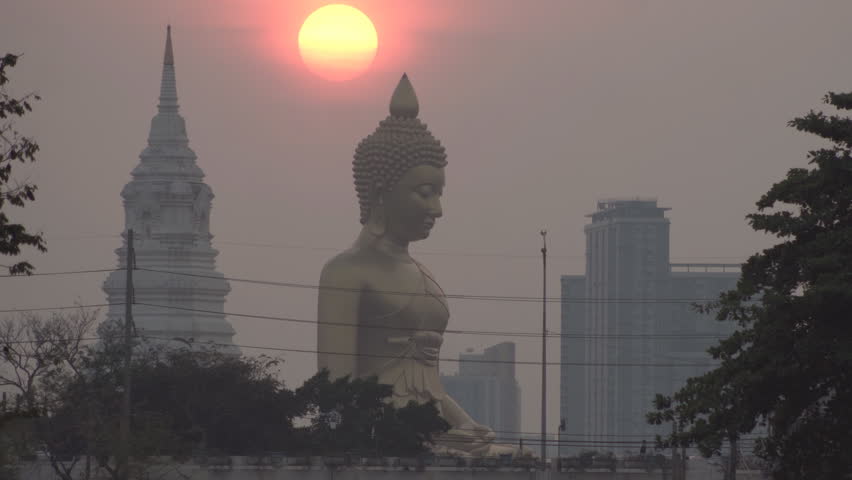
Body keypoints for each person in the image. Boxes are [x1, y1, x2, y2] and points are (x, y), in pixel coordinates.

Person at [317, 74, 520, 457]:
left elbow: (427, 386)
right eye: (424, 194)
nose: (436, 209)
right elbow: (336, 392)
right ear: (380, 190)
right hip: (376, 434)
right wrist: (371, 432)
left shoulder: (423, 274)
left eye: (439, 194)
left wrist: (464, 424)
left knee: (510, 455)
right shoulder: (345, 272)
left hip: (427, 428)